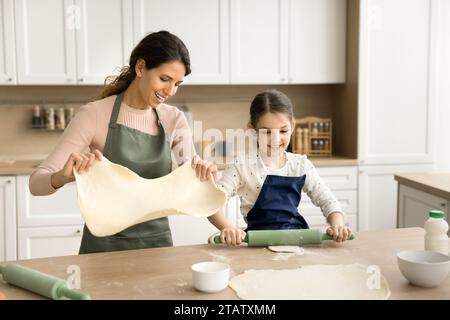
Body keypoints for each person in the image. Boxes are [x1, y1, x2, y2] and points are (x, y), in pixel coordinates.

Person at [29, 31, 216, 254]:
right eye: (164, 79)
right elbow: (35, 184)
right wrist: (62, 177)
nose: (170, 91)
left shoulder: (173, 118)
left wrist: (226, 225)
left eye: (177, 84)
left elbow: (196, 184)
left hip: (157, 246)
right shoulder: (95, 115)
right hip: (104, 247)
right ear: (140, 68)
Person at [207, 89, 352, 245]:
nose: (276, 139)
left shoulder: (300, 165)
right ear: (252, 130)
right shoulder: (241, 166)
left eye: (283, 130)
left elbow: (327, 200)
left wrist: (337, 224)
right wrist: (228, 228)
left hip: (296, 243)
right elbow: (211, 204)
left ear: (293, 126)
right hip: (258, 245)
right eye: (267, 132)